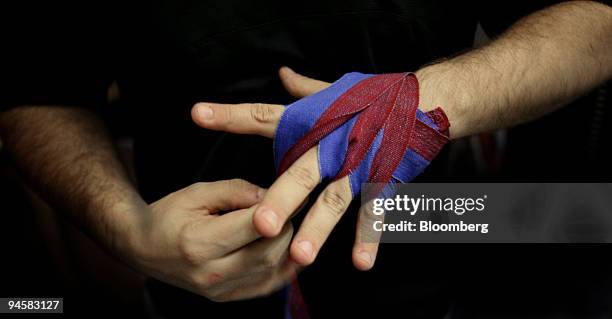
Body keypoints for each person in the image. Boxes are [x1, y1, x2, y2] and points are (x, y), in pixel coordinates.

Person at [1, 0, 611, 317]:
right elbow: (35, 92)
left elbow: (599, 24)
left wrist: (423, 103)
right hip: (188, 279)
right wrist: (125, 227)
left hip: (430, 236)